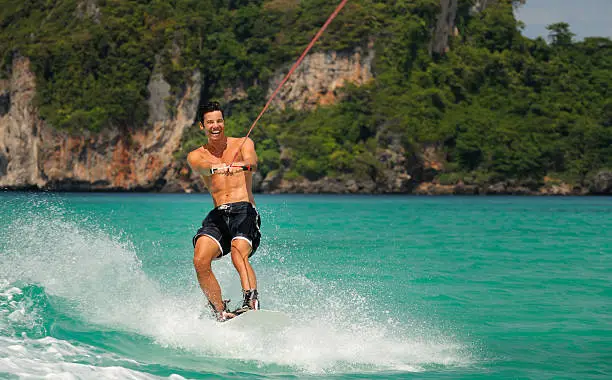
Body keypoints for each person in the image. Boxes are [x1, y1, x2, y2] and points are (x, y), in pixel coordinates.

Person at [187, 101, 261, 322]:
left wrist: (241, 165)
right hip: (219, 214)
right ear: (203, 126)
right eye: (210, 122)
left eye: (219, 121)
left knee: (238, 253)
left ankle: (251, 302)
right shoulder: (197, 155)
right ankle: (220, 310)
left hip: (244, 210)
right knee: (200, 260)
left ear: (224, 122)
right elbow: (201, 167)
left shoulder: (243, 143)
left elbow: (253, 162)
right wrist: (216, 168)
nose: (216, 125)